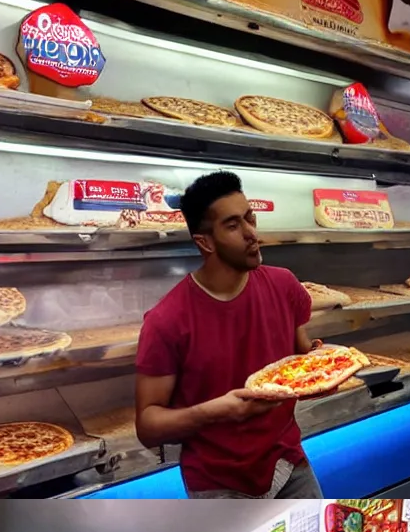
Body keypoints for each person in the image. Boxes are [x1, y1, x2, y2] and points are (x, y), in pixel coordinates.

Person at [134, 171, 324, 498]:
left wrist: (321, 364)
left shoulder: (284, 285)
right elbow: (148, 427)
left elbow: (300, 356)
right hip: (218, 482)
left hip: (289, 461)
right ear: (205, 242)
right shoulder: (167, 320)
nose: (252, 234)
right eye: (234, 225)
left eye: (250, 218)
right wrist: (218, 411)